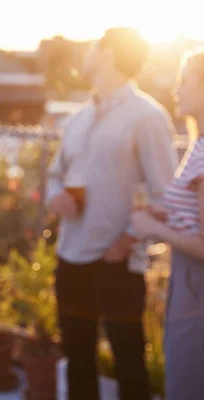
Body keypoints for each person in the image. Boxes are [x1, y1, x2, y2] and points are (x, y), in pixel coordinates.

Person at [46, 28, 177, 400]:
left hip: (118, 261)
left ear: (106, 53)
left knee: (130, 369)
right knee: (78, 365)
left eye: (92, 47)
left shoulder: (148, 116)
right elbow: (55, 175)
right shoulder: (78, 117)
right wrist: (56, 198)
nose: (85, 54)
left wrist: (129, 240)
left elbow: (165, 196)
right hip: (70, 257)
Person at [131, 49, 204, 400]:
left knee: (187, 383)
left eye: (184, 80)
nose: (175, 90)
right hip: (188, 282)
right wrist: (170, 217)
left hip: (197, 286)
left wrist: (154, 229)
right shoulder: (197, 144)